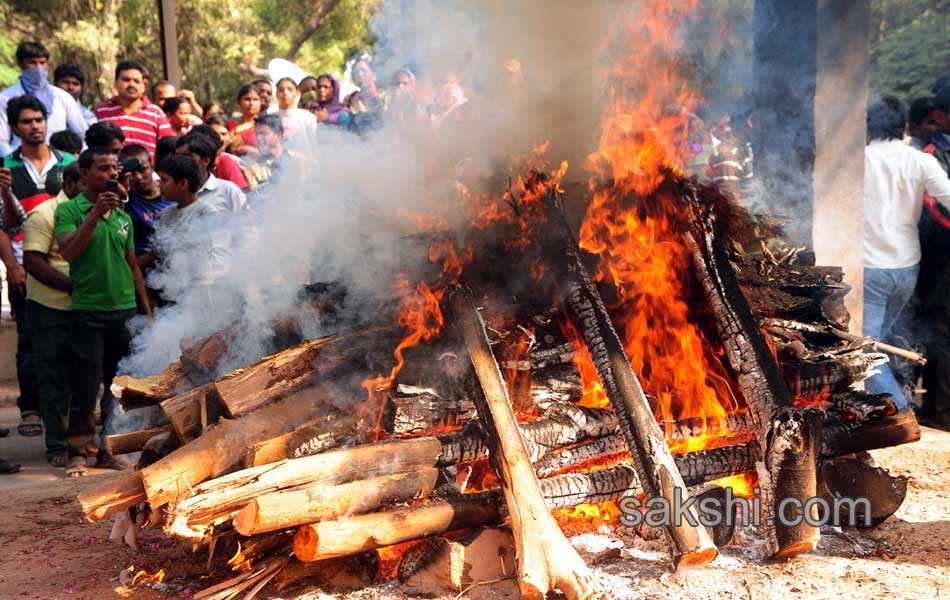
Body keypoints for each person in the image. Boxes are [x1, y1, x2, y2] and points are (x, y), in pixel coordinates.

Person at [54, 147, 152, 475]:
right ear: (84, 175)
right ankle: (78, 451)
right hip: (88, 310)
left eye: (114, 168)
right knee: (84, 384)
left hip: (123, 310)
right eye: (102, 168)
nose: (111, 174)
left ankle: (108, 449)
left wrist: (146, 310)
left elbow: (132, 267)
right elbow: (69, 252)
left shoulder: (124, 217)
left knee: (117, 385)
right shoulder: (69, 211)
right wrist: (95, 214)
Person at [863, 95, 950, 408]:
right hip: (906, 269)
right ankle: (882, 408)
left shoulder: (860, 159)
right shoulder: (919, 159)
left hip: (870, 269)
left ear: (868, 125)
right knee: (881, 344)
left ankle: (898, 411)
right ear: (904, 126)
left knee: (865, 350)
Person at [1, 95, 76, 439]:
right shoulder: (6, 167)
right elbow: (4, 225)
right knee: (30, 341)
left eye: (39, 119)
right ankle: (31, 407)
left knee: (74, 340)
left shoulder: (71, 162)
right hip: (24, 264)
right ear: (15, 127)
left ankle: (71, 412)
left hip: (70, 263)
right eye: (27, 121)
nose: (35, 126)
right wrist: (12, 267)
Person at [22, 163, 81, 468]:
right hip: (50, 308)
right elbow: (32, 261)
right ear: (71, 182)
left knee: (81, 378)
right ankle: (57, 442)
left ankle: (78, 442)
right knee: (54, 377)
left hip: (84, 308)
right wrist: (74, 286)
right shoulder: (44, 214)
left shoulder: (90, 212)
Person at [152, 155, 225, 301]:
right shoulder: (166, 214)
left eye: (165, 180)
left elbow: (212, 252)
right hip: (171, 287)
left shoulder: (206, 211)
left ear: (183, 183)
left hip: (197, 288)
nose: (159, 185)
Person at [0, 41, 88, 156]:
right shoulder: (5, 98)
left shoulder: (62, 97)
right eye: (32, 63)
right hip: (21, 162)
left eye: (42, 63)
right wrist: (17, 164)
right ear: (21, 65)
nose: (38, 68)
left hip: (60, 163)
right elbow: (2, 140)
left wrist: (75, 161)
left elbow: (82, 134)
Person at [94, 60, 172, 158]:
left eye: (136, 81)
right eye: (126, 80)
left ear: (144, 85)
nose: (132, 84)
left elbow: (167, 149)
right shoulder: (100, 112)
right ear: (115, 84)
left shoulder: (156, 114)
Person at [119, 144, 174, 265]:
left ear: (152, 166)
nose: (138, 177)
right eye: (131, 173)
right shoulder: (125, 202)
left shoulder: (173, 192)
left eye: (143, 169)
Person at [174, 131, 248, 216]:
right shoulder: (172, 191)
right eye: (177, 157)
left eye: (187, 157)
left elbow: (246, 224)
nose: (179, 162)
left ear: (205, 160)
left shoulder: (228, 191)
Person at [246, 113, 306, 188]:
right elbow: (255, 196)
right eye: (257, 134)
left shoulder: (298, 159)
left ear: (279, 135)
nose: (258, 138)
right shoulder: (253, 169)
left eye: (264, 134)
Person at [189, 124, 249, 190]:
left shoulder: (225, 161)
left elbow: (242, 193)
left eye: (218, 154)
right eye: (208, 156)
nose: (215, 162)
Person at [275, 77, 319, 151]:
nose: (285, 93)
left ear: (297, 92)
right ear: (276, 93)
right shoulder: (271, 117)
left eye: (290, 89)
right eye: (281, 90)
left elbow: (313, 145)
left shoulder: (308, 117)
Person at [345, 59, 386, 132]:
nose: (360, 75)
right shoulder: (353, 102)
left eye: (364, 71)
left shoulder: (387, 97)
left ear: (374, 75)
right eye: (356, 72)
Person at [53, 63, 98, 128]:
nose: (70, 87)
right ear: (55, 84)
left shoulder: (88, 116)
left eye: (75, 84)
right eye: (66, 82)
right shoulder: (46, 111)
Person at [228, 84, 262, 158]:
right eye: (247, 99)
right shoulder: (231, 124)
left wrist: (247, 149)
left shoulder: (263, 125)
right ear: (239, 101)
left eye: (256, 99)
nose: (251, 103)